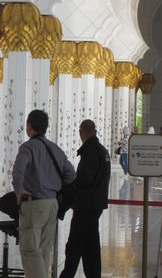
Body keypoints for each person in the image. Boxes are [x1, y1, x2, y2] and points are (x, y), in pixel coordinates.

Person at [12, 109, 76, 278]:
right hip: (52, 205)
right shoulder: (55, 149)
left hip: (34, 205)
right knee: (43, 251)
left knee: (30, 250)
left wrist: (19, 191)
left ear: (29, 126)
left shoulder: (28, 147)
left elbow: (18, 171)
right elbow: (71, 175)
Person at [59, 119, 111, 278]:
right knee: (90, 247)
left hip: (86, 206)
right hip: (96, 204)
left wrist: (70, 182)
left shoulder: (90, 151)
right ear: (94, 131)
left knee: (74, 246)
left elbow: (85, 179)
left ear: (81, 132)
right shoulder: (101, 150)